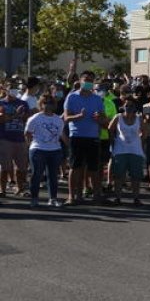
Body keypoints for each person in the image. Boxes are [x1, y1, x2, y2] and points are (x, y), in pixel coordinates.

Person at [63, 71, 107, 206]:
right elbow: (66, 118)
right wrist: (78, 116)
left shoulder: (97, 99)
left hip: (93, 136)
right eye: (86, 79)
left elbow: (104, 120)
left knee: (94, 168)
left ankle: (96, 196)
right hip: (77, 136)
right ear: (80, 81)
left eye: (91, 80)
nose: (88, 82)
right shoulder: (71, 97)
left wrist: (99, 119)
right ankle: (72, 196)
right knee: (75, 167)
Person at [25, 94, 67, 207]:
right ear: (41, 104)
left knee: (53, 175)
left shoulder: (58, 119)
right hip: (38, 149)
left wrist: (69, 147)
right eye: (45, 102)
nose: (48, 105)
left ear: (54, 105)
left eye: (51, 102)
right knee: (36, 174)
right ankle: (34, 198)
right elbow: (27, 133)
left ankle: (53, 199)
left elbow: (62, 135)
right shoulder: (35, 118)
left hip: (55, 150)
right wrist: (30, 147)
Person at [108, 94, 146, 206]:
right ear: (123, 106)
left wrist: (140, 143)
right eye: (127, 105)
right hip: (120, 150)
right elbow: (110, 129)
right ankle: (118, 198)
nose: (129, 107)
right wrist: (113, 141)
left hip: (136, 150)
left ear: (135, 107)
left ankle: (136, 198)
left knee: (136, 176)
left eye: (131, 105)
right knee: (119, 175)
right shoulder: (118, 117)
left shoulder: (139, 118)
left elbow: (144, 132)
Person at [0, 87, 31, 199]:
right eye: (11, 88)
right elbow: (2, 119)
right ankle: (2, 190)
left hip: (20, 139)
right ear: (6, 90)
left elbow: (27, 118)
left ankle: (20, 188)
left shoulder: (23, 103)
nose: (13, 91)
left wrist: (24, 116)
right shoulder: (1, 103)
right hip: (5, 138)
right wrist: (16, 113)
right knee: (5, 167)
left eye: (15, 89)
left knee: (22, 167)